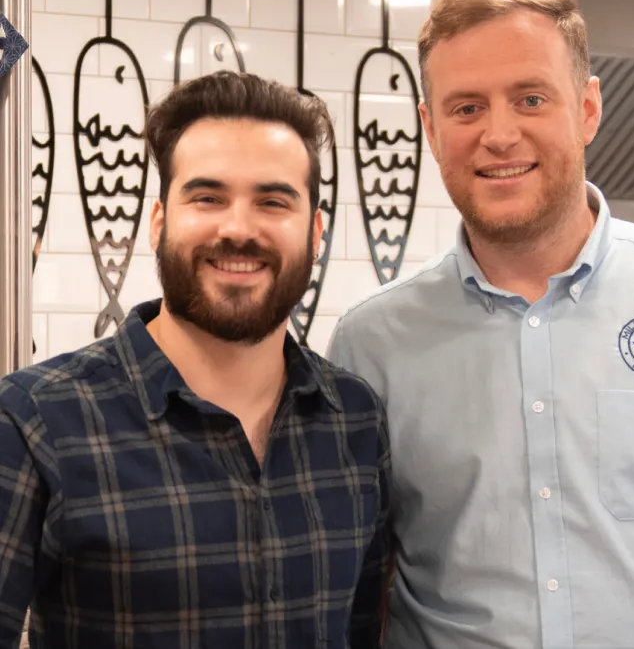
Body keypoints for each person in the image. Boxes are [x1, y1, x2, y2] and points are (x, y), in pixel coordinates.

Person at [328, 0, 634, 649]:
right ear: (430, 128)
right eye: (466, 108)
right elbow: (359, 575)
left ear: (588, 109)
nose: (498, 134)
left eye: (530, 98)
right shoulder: (372, 344)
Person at [0, 71, 391, 648]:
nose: (238, 228)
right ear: (159, 222)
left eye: (272, 201)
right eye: (207, 197)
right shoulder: (36, 420)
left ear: (314, 232)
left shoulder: (356, 420)